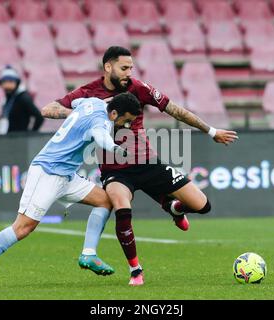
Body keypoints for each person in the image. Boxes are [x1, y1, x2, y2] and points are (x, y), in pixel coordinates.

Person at [42, 46, 238, 286]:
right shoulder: (88, 93)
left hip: (148, 162)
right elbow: (47, 109)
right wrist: (84, 113)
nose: (129, 73)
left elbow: (174, 109)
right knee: (121, 206)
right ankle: (136, 270)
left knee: (202, 205)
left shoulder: (138, 88)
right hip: (115, 170)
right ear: (108, 67)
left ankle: (174, 208)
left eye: (131, 68)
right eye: (124, 68)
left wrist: (212, 131)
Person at [0, 92, 142, 289]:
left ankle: (89, 254)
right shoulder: (102, 123)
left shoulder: (93, 102)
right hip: (48, 172)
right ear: (114, 113)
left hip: (67, 175)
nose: (127, 126)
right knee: (23, 227)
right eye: (126, 121)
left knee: (105, 201)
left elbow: (76, 101)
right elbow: (102, 139)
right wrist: (118, 149)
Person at [0, 65, 44, 134]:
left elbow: (39, 117)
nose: (7, 85)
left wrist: (31, 134)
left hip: (20, 140)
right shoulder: (8, 97)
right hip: (9, 139)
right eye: (4, 82)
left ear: (16, 82)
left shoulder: (23, 98)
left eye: (10, 81)